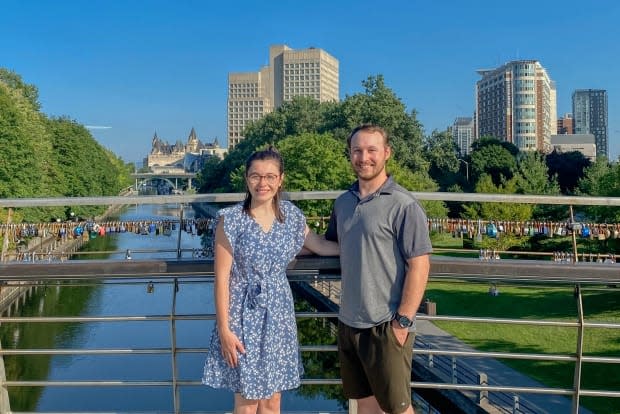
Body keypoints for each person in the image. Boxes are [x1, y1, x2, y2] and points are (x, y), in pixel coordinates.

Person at [202, 146, 339, 414]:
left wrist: (363, 247)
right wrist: (224, 331)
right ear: (246, 179)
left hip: (278, 314)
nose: (262, 183)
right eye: (255, 176)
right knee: (247, 403)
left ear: (280, 179)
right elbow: (221, 280)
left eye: (269, 176)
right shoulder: (230, 221)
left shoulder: (291, 217)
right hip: (241, 315)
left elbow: (320, 246)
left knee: (272, 402)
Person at [325, 124, 433, 414]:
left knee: (399, 410)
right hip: (349, 323)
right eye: (357, 150)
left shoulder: (404, 205)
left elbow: (419, 264)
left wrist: (403, 323)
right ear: (350, 154)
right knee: (365, 406)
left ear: (386, 153)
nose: (364, 157)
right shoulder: (343, 203)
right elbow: (334, 246)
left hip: (385, 326)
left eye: (372, 150)